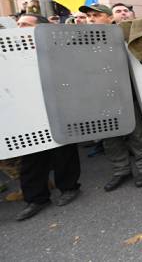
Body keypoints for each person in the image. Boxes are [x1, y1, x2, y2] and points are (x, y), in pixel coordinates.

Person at [78, 3, 142, 191]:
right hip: (101, 96)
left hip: (126, 92)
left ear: (110, 18)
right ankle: (121, 170)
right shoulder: (82, 40)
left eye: (96, 15)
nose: (91, 19)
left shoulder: (124, 35)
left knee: (137, 134)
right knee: (110, 137)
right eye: (89, 16)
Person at [15, 14, 82, 221]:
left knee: (63, 150)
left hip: (58, 106)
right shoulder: (10, 54)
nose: (20, 27)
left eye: (25, 24)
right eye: (18, 24)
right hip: (26, 110)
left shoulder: (58, 51)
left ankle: (68, 187)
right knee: (31, 155)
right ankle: (36, 198)